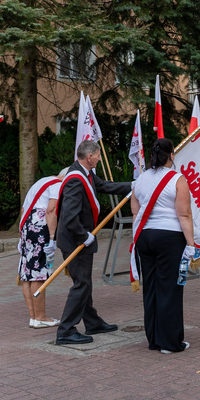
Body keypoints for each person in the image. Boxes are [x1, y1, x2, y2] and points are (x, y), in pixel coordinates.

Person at [54, 140, 132, 345]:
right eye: (98, 155)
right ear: (89, 157)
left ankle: (92, 322)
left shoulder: (86, 173)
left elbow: (105, 186)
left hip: (79, 239)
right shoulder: (75, 179)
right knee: (81, 284)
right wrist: (83, 236)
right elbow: (69, 216)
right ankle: (66, 330)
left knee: (84, 283)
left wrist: (133, 186)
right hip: (75, 241)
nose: (99, 158)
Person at [131, 138, 195, 354]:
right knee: (170, 289)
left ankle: (154, 339)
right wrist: (191, 244)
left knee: (151, 289)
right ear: (172, 155)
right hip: (169, 237)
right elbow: (184, 215)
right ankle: (170, 342)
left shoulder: (140, 179)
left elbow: (135, 212)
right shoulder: (178, 179)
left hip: (144, 237)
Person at [18, 170, 65, 329]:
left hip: (27, 226)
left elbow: (24, 210)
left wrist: (22, 236)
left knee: (27, 274)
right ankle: (41, 317)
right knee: (38, 274)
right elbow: (50, 210)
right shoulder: (58, 185)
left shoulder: (40, 183)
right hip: (40, 228)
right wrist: (52, 237)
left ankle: (34, 317)